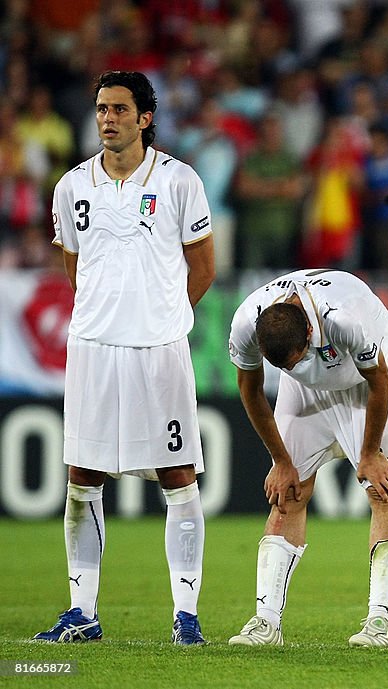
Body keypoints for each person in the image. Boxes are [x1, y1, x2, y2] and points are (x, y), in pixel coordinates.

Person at [35, 70, 215, 645]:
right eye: (100, 109)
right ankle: (82, 611)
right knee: (82, 477)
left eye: (118, 109)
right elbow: (76, 269)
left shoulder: (181, 181)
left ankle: (186, 615)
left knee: (177, 475)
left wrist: (160, 317)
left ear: (144, 118)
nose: (107, 118)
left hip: (158, 351)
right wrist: (107, 314)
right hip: (92, 348)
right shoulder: (71, 187)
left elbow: (203, 267)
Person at [226, 268, 388, 648]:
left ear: (309, 333)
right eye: (281, 367)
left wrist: (371, 453)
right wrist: (280, 460)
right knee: (287, 493)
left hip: (365, 381)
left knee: (383, 490)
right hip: (308, 393)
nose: (288, 369)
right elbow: (251, 390)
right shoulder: (246, 323)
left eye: (293, 360)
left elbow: (381, 382)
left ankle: (379, 622)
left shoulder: (344, 319)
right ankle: (266, 621)